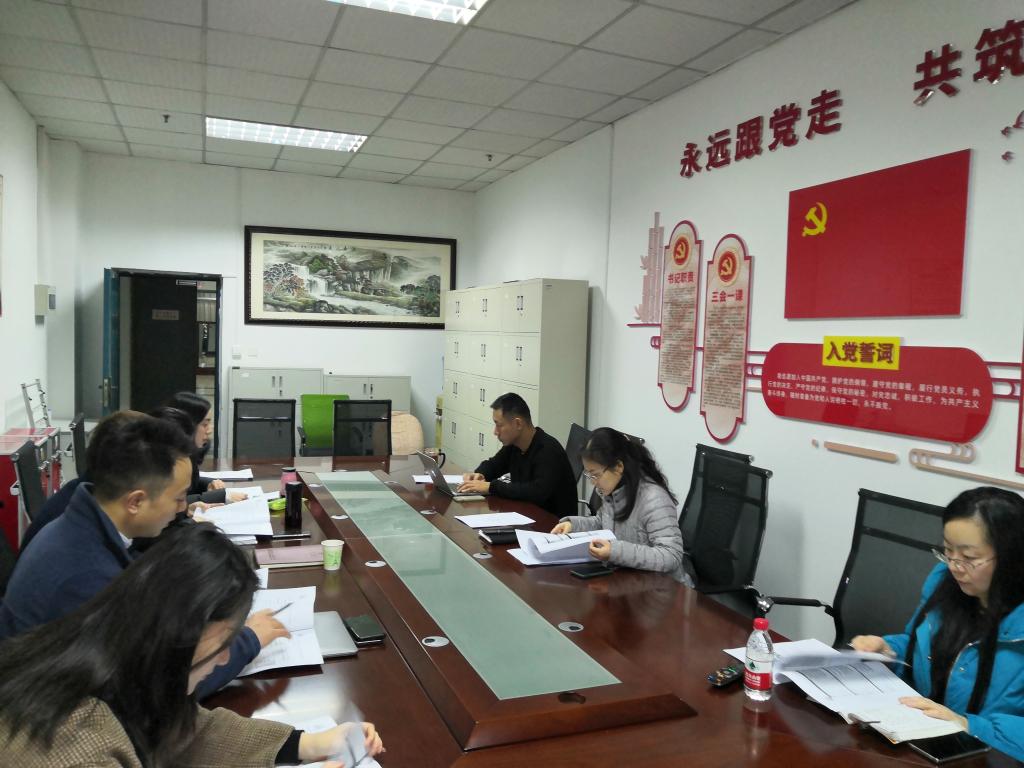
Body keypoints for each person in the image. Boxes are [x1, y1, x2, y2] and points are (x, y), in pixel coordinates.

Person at [0, 522, 383, 767]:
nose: (227, 657)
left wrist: (307, 744)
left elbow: (189, 733)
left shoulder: (110, 655)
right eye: (221, 646)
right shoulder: (75, 749)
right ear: (171, 643)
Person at [0, 412, 287, 700]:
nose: (182, 509)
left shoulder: (85, 525)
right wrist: (246, 641)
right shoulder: (85, 577)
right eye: (178, 498)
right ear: (136, 501)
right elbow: (152, 693)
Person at [851, 487, 1024, 761]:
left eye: (969, 558)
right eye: (947, 551)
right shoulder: (945, 584)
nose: (954, 566)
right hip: (926, 747)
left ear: (1012, 557)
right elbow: (920, 647)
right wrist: (889, 650)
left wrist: (968, 725)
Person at [549, 428, 690, 585]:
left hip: (665, 589)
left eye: (596, 475)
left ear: (618, 467)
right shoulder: (614, 490)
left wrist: (615, 551)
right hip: (631, 580)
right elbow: (602, 522)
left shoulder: (654, 498)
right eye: (589, 475)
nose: (593, 482)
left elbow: (671, 556)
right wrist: (573, 525)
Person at [459, 393, 577, 517]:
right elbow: (494, 464)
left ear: (518, 424)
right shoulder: (514, 445)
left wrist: (491, 487)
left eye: (499, 425)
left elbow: (536, 492)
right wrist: (480, 474)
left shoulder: (548, 451)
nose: (495, 432)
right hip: (525, 515)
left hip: (552, 523)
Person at [166, 392, 245, 505]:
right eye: (204, 424)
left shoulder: (187, 453)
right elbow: (170, 503)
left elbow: (189, 483)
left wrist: (208, 483)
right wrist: (220, 496)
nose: (210, 430)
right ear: (185, 425)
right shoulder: (166, 458)